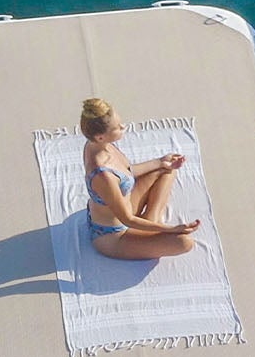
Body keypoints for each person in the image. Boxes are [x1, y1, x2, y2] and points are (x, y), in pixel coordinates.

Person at [79, 97, 199, 260]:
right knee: (185, 242)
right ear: (100, 137)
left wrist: (160, 162)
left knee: (167, 169)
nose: (123, 127)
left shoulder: (98, 145)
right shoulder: (102, 176)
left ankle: (151, 219)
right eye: (117, 127)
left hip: (125, 207)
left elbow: (127, 172)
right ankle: (151, 224)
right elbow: (127, 219)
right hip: (113, 236)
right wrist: (170, 230)